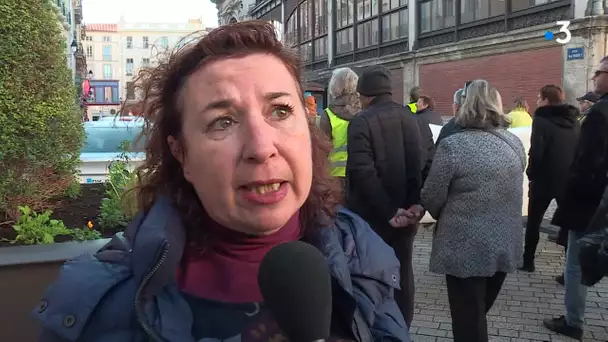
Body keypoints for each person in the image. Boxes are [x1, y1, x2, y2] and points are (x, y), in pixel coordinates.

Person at [33, 21, 410, 342]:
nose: (262, 148)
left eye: (280, 110)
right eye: (223, 122)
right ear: (181, 154)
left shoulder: (361, 253)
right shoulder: (97, 308)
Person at [421, 80, 525, 342]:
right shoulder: (514, 143)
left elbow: (431, 196)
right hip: (504, 242)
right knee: (477, 314)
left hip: (463, 245)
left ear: (465, 105)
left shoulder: (453, 146)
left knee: (468, 320)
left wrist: (442, 213)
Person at [345, 65, 424, 328]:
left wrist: (390, 212)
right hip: (405, 214)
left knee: (370, 275)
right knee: (403, 272)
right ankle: (402, 328)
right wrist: (414, 205)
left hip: (373, 218)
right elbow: (418, 163)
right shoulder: (410, 117)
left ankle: (376, 328)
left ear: (365, 95)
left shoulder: (361, 121)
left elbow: (362, 172)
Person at [544, 56, 608, 340]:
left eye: (599, 72)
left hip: (590, 202)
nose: (594, 77)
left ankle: (573, 321)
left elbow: (587, 163)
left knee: (575, 259)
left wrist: (572, 196)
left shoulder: (599, 114)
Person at [520, 85, 580, 273]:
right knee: (570, 224)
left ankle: (528, 262)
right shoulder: (574, 120)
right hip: (568, 178)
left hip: (544, 179)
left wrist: (531, 174)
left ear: (546, 100)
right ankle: (568, 271)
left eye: (539, 98)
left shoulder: (540, 120)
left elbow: (537, 151)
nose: (537, 101)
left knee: (534, 222)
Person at [319, 67, 361, 183]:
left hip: (335, 176)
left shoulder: (328, 115)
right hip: (360, 172)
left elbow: (322, 149)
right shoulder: (363, 111)